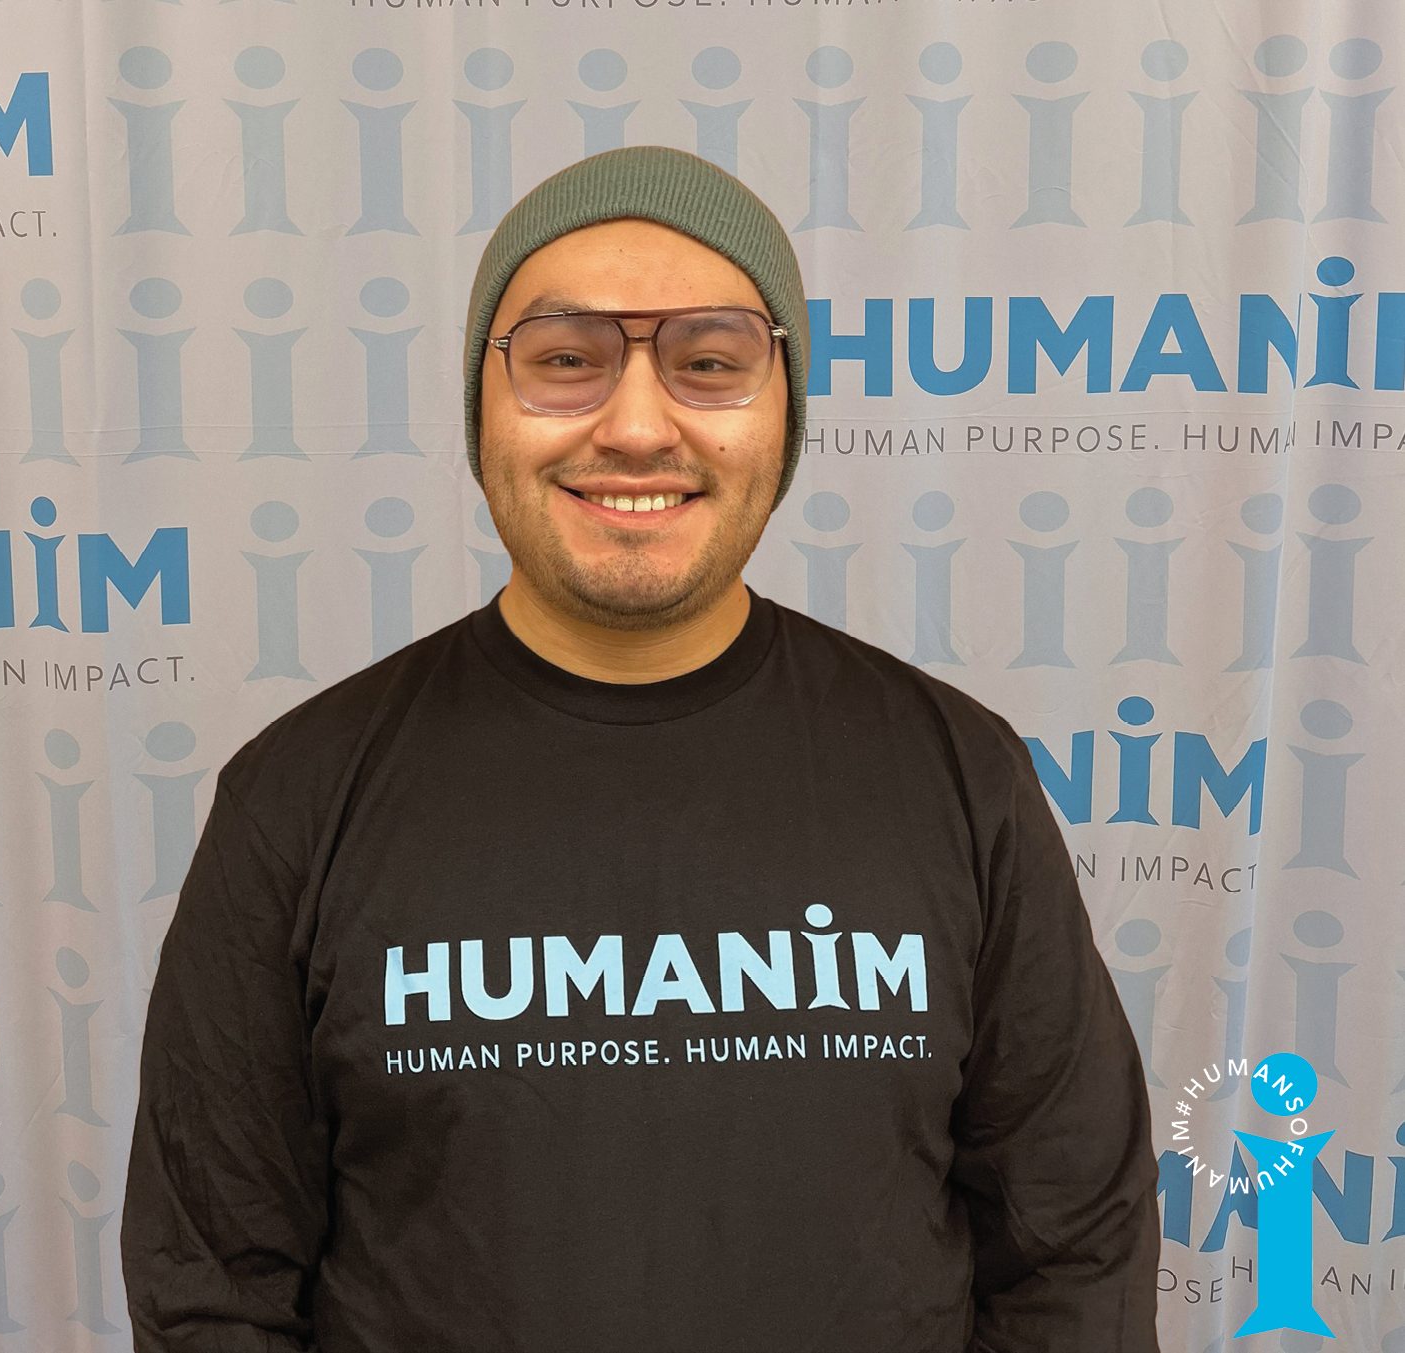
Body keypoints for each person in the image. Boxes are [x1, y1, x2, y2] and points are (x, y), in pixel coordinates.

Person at [121, 145, 1162, 1352]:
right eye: (566, 360)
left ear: (784, 412)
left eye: (708, 362)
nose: (633, 426)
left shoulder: (961, 773)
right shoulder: (297, 798)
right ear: (480, 407)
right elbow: (213, 1289)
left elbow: (1072, 1255)